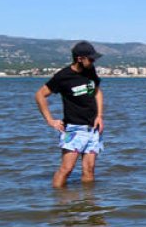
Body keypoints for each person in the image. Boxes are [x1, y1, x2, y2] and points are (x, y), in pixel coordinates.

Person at [35, 41, 105, 188]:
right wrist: (50, 120)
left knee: (89, 169)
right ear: (80, 58)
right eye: (91, 59)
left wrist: (99, 115)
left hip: (93, 129)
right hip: (74, 129)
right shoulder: (63, 76)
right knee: (66, 169)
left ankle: (89, 205)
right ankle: (59, 205)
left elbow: (97, 92)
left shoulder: (90, 71)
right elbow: (40, 95)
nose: (93, 62)